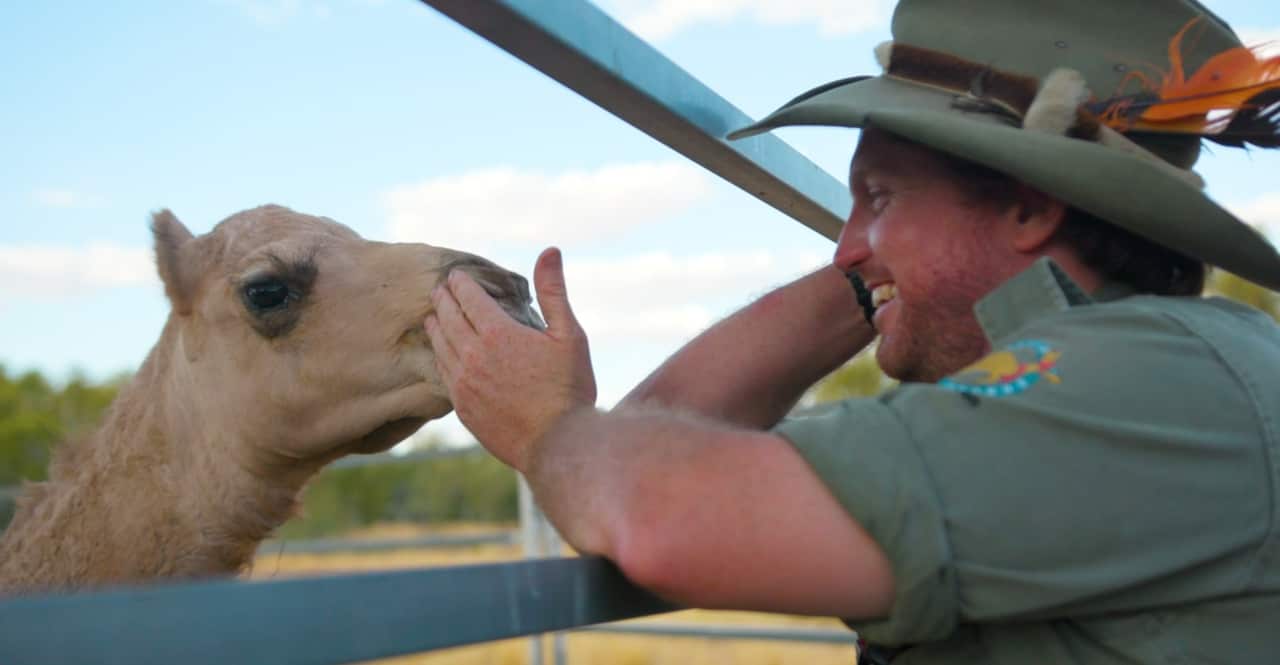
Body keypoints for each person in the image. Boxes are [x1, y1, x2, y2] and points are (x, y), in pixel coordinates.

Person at [423, 0, 1280, 662]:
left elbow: (656, 514)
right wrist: (893, 274)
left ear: (1028, 202)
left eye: (878, 197)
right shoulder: (1169, 365)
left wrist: (545, 427)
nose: (842, 245)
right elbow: (643, 446)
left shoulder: (1151, 383)